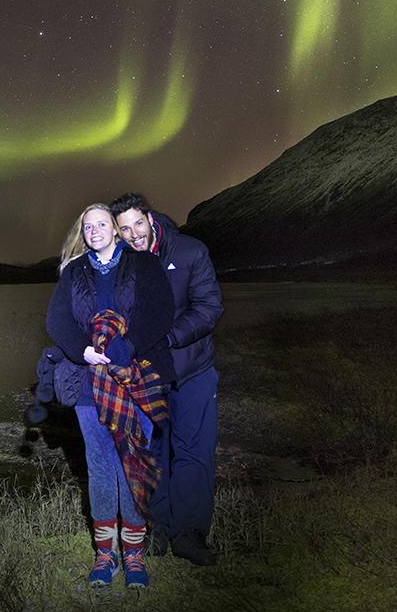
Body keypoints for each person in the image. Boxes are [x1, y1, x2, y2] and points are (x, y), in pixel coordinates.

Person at [45, 203, 176, 588]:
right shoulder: (74, 272)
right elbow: (56, 319)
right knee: (101, 466)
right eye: (88, 226)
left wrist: (128, 346)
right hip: (89, 384)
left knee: (132, 464)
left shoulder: (144, 265)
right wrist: (81, 350)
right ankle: (106, 555)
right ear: (83, 233)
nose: (95, 230)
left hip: (137, 378)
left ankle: (133, 556)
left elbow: (161, 312)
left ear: (114, 230)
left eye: (102, 224)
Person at [110, 192, 224, 567]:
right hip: (148, 374)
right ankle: (158, 528)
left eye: (138, 224)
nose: (133, 234)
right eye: (124, 229)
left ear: (150, 218)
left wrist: (170, 336)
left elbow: (209, 307)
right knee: (153, 451)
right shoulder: (121, 263)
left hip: (192, 368)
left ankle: (189, 534)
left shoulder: (190, 252)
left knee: (193, 448)